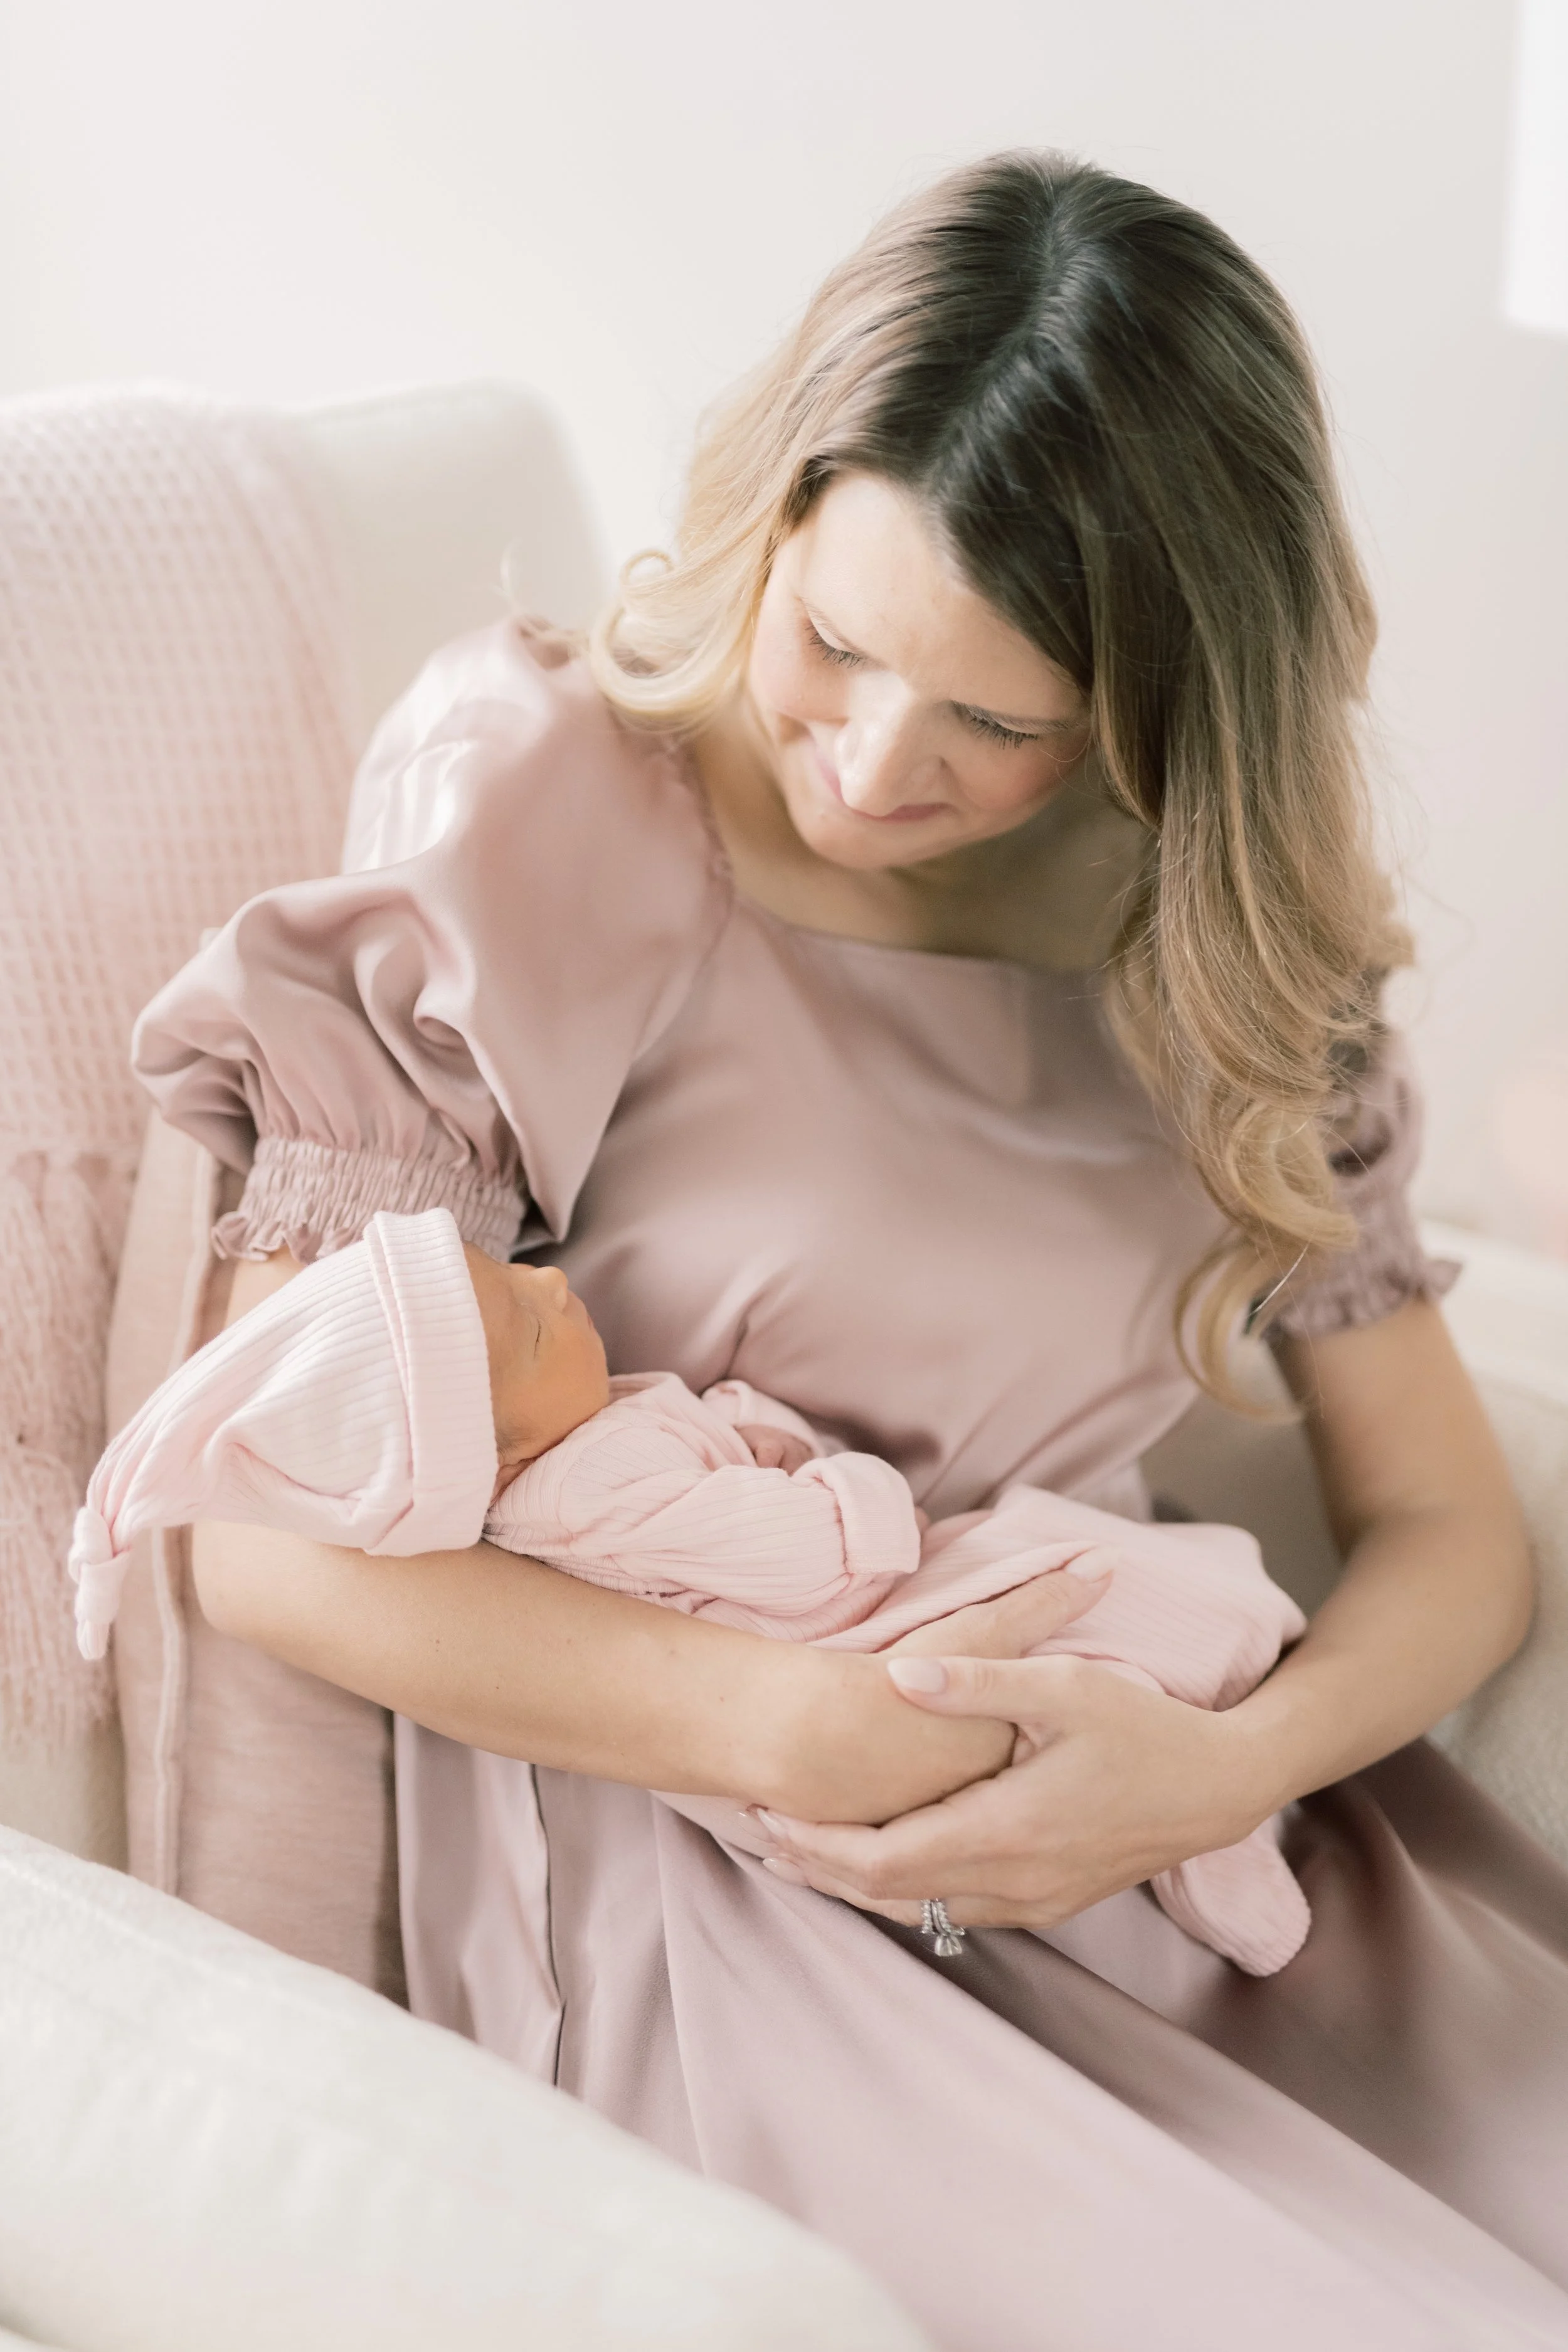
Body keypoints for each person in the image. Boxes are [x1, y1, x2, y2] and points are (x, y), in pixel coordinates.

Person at [129, 152, 1568, 2348]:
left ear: (1160, 715)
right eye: (832, 646)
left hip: (1199, 1827)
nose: (876, 764)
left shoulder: (1214, 938)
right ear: (777, 514)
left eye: (998, 725)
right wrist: (799, 1738)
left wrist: (1223, 1770)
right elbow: (255, 1527)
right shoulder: (544, 801)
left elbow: (1453, 1532)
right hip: (741, 1867)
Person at [73, 1205, 1312, 1974]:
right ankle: (1213, 1849)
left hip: (841, 1626)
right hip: (860, 1621)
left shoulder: (584, 1439)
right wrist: (855, 1494)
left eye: (516, 1276)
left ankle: (1205, 1805)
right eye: (528, 1329)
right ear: (487, 1458)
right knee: (1103, 1601)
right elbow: (811, 1559)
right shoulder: (577, 1489)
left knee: (1090, 1632)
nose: (555, 1288)